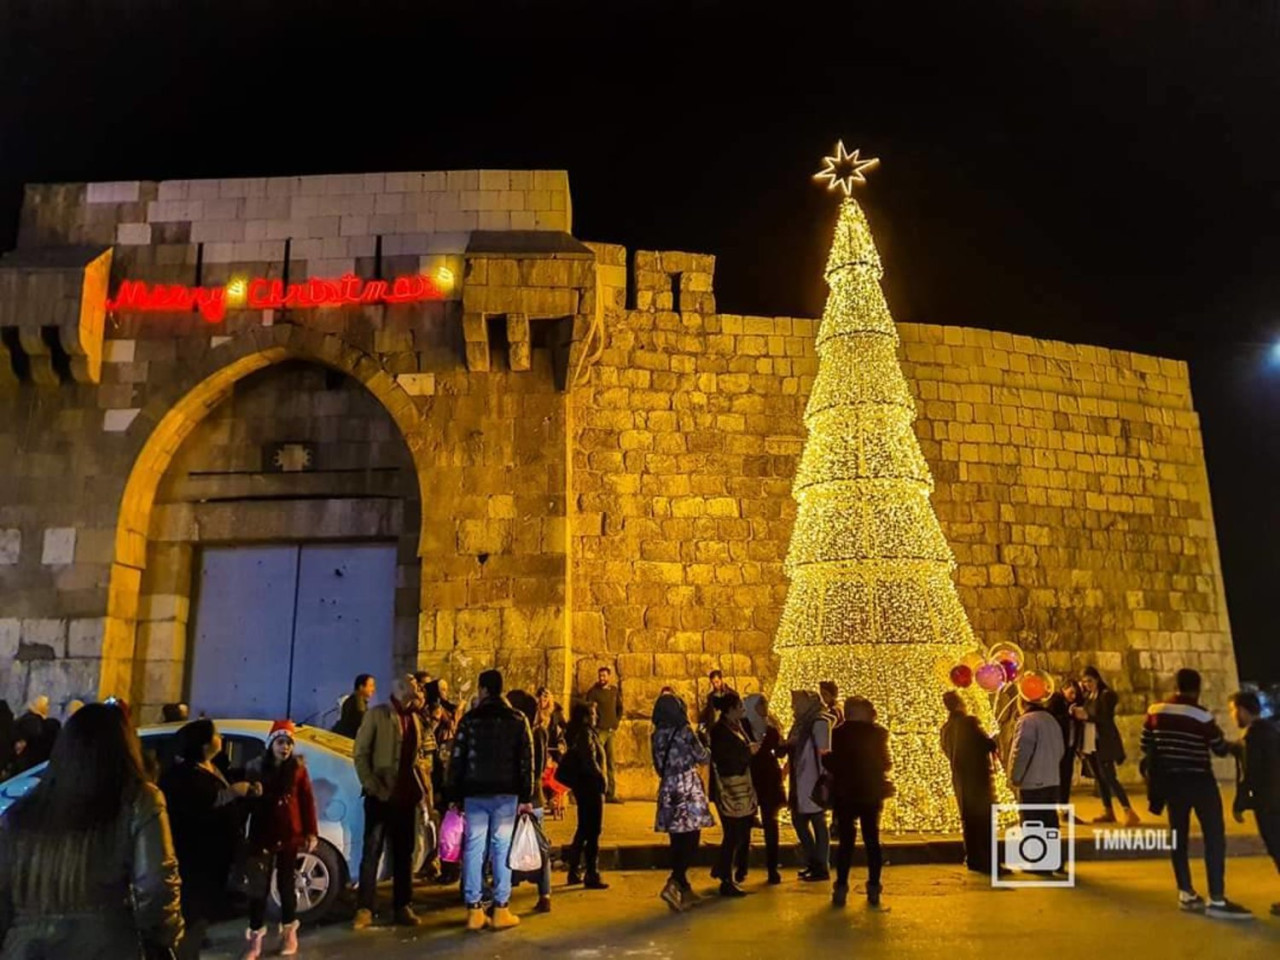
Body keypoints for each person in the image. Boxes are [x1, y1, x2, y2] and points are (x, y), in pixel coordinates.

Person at [0, 702, 183, 957]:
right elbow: (155, 887)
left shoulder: (22, 814)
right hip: (106, 945)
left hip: (27, 947)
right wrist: (164, 939)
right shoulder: (137, 800)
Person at [1141, 668, 1250, 918]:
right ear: (1197, 688)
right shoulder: (1201, 716)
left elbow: (1146, 744)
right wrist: (1235, 748)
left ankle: (1186, 893)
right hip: (1200, 781)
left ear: (1175, 686)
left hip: (1171, 783)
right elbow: (1219, 747)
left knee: (1178, 837)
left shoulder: (1155, 711)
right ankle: (1217, 899)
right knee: (1214, 837)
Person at [162, 718, 259, 959]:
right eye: (216, 735)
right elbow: (201, 807)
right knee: (193, 917)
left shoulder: (212, 766)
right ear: (204, 744)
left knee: (202, 916)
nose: (222, 738)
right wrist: (233, 793)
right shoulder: (183, 776)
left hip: (216, 859)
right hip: (195, 860)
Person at [449, 669, 536, 932]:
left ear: (483, 689)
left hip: (475, 793)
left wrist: (453, 795)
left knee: (474, 848)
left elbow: (457, 759)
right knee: (501, 848)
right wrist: (526, 796)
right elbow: (527, 761)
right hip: (506, 794)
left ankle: (474, 909)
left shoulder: (469, 720)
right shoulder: (518, 719)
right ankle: (501, 908)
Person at [352, 674, 431, 930]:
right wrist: (372, 785)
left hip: (406, 796)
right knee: (372, 851)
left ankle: (402, 905)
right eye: (414, 685)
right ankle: (364, 907)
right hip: (380, 796)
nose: (418, 688)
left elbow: (415, 757)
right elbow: (360, 753)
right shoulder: (378, 715)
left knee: (404, 853)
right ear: (400, 690)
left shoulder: (415, 718)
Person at [237, 720, 318, 959]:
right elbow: (246, 803)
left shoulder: (298, 770)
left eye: (289, 743)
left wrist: (311, 832)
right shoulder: (256, 768)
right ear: (271, 743)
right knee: (258, 889)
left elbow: (307, 801)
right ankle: (255, 939)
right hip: (262, 833)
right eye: (281, 742)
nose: (285, 748)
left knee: (286, 885)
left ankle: (289, 932)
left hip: (289, 833)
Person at [651, 692, 715, 911]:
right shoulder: (685, 731)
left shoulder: (657, 735)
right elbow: (703, 757)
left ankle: (684, 888)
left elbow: (658, 765)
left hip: (668, 788)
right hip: (687, 787)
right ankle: (675, 880)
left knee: (676, 839)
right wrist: (705, 742)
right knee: (692, 836)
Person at [825, 696, 890, 907]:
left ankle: (841, 887)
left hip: (845, 794)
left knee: (846, 843)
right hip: (870, 793)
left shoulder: (837, 734)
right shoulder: (878, 734)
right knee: (872, 840)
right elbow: (885, 763)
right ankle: (873, 888)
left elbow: (830, 762)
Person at [1228, 691, 1280, 916]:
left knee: (1277, 848)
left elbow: (1249, 775)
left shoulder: (1253, 736)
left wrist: (1240, 804)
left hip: (1268, 803)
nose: (1232, 716)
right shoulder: (1271, 730)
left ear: (1241, 710)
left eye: (1232, 710)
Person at [941, 691, 1000, 874]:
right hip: (978, 780)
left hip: (960, 780)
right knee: (984, 822)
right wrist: (993, 739)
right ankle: (989, 863)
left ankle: (973, 858)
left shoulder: (946, 728)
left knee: (968, 821)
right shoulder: (969, 722)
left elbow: (945, 749)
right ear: (959, 704)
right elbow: (987, 744)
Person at [507, 690, 555, 912]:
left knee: (508, 845)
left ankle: (503, 895)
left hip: (519, 795)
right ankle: (544, 894)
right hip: (534, 796)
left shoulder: (517, 733)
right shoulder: (539, 733)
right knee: (539, 845)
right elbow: (541, 763)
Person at [1075, 666, 1139, 826]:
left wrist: (1087, 716)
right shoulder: (1089, 696)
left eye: (1089, 680)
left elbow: (1105, 718)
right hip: (1091, 742)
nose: (1087, 684)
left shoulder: (1106, 695)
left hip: (1104, 742)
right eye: (1084, 682)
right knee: (1100, 779)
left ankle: (1128, 810)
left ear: (1097, 679)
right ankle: (1107, 810)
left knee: (1110, 777)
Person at [1008, 693, 1064, 875]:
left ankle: (1038, 861)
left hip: (1032, 780)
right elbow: (1061, 749)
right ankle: (1054, 860)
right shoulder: (1051, 720)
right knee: (1049, 820)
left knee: (1032, 821)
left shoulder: (1027, 721)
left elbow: (1021, 751)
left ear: (1022, 702)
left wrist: (1015, 776)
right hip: (1051, 779)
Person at [709, 692, 756, 897]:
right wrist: (748, 753)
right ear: (729, 710)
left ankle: (722, 868)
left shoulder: (739, 727)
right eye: (739, 707)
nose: (742, 711)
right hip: (729, 789)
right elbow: (726, 761)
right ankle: (725, 879)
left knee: (740, 831)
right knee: (732, 833)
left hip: (742, 788)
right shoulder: (719, 731)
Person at [559, 702, 609, 890]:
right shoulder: (586, 734)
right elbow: (589, 759)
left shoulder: (579, 733)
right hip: (590, 787)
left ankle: (574, 869)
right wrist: (601, 778)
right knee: (593, 830)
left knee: (583, 829)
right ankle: (591, 872)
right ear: (587, 717)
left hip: (584, 787)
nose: (596, 717)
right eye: (594, 714)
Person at [787, 689, 833, 881]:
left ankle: (820, 865)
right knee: (800, 821)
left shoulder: (819, 722)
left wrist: (824, 778)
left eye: (797, 703)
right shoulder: (802, 723)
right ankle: (813, 861)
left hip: (813, 779)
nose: (793, 707)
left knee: (817, 822)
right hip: (801, 779)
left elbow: (825, 752)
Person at [743, 693, 785, 884]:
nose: (766, 707)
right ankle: (741, 866)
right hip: (750, 778)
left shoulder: (770, 727)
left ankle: (772, 867)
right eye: (762, 704)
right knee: (744, 823)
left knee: (771, 823)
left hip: (768, 778)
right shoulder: (744, 726)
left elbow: (780, 750)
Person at [584, 666, 623, 803]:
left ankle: (611, 793)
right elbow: (587, 709)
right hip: (599, 731)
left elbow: (619, 708)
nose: (602, 678)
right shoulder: (593, 692)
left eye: (604, 676)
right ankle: (597, 792)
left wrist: (616, 722)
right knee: (598, 762)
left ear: (609, 676)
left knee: (611, 763)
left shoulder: (614, 691)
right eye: (600, 676)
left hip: (610, 731)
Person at [1047, 679, 1084, 815]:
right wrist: (1068, 715)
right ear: (1064, 689)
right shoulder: (1056, 701)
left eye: (1075, 694)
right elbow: (1051, 719)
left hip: (1070, 746)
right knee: (1056, 778)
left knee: (1066, 777)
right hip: (1057, 747)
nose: (1073, 696)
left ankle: (1064, 808)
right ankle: (1055, 809)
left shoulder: (1075, 704)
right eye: (1071, 693)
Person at [333, 674, 376, 738]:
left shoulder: (357, 701)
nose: (373, 689)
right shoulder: (357, 703)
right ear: (361, 687)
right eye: (370, 686)